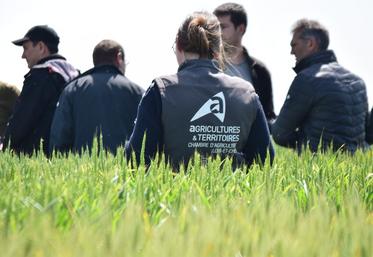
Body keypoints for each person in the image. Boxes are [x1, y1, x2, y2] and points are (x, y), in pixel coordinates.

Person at [126, 11, 274, 170]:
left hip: (174, 193)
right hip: (235, 194)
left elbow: (136, 158)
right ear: (219, 48)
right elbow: (264, 159)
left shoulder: (161, 90)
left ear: (178, 45)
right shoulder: (246, 93)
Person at [272, 19, 370, 153]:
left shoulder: (307, 79)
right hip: (358, 170)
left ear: (311, 44)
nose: (291, 52)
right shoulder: (358, 82)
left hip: (319, 168)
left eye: (294, 45)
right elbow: (367, 134)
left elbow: (279, 134)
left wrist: (307, 143)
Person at [49, 40, 144, 155]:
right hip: (125, 170)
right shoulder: (138, 92)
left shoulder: (72, 90)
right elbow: (146, 138)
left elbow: (59, 139)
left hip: (81, 170)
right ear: (119, 58)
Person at [3, 25, 79, 155]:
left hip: (37, 158)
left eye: (26, 48)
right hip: (66, 158)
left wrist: (6, 146)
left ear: (41, 47)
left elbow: (22, 120)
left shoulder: (40, 76)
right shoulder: (76, 77)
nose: (23, 55)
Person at [213, 3, 276, 122]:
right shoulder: (206, 65)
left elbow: (267, 115)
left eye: (223, 27)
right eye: (215, 27)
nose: (217, 32)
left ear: (241, 29)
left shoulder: (259, 70)